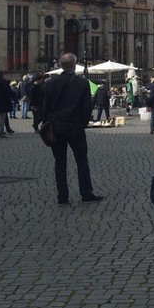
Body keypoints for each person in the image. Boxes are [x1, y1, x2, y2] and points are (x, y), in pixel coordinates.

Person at [41, 53, 103, 204]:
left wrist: (47, 122)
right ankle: (86, 193)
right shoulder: (82, 83)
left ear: (61, 65)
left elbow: (45, 107)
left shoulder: (50, 83)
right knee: (82, 161)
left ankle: (62, 196)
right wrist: (82, 123)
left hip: (56, 128)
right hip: (75, 128)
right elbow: (86, 108)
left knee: (60, 162)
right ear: (74, 65)